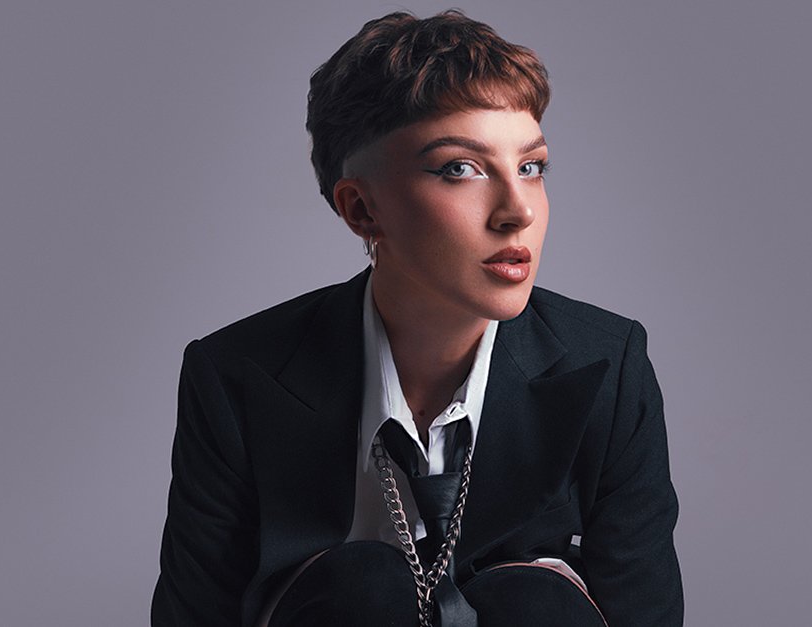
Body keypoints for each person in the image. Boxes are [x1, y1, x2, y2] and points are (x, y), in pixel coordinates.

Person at [152, 10, 682, 627]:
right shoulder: (238, 375)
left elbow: (644, 611)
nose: (517, 212)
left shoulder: (608, 362)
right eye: (460, 168)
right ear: (361, 208)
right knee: (364, 588)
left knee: (533, 601)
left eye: (530, 166)